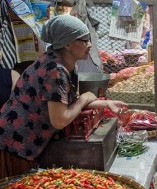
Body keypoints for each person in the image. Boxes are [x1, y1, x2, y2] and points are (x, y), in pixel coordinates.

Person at [0, 15, 127, 178]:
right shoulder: (55, 71)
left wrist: (106, 104)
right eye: (84, 40)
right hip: (14, 146)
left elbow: (66, 103)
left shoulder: (64, 64)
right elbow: (60, 119)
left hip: (23, 145)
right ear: (67, 43)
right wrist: (84, 99)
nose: (89, 45)